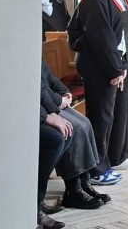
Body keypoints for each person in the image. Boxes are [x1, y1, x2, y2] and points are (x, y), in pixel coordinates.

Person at [67, 0, 128, 187]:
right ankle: (95, 170)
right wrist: (115, 68)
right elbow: (101, 36)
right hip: (98, 65)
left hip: (104, 62)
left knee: (105, 116)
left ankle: (101, 164)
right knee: (100, 117)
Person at [40, 61, 108, 211]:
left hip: (50, 101)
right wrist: (58, 101)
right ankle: (73, 190)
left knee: (85, 123)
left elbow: (48, 76)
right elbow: (38, 87)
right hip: (44, 105)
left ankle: (84, 183)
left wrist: (64, 91)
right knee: (75, 128)